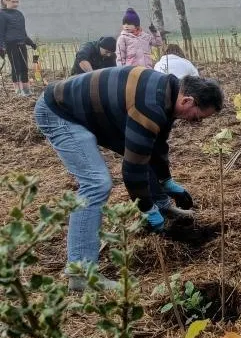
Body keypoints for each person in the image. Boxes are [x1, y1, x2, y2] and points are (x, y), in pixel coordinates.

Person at [34, 67, 224, 291]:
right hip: (60, 112)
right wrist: (146, 208)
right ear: (187, 100)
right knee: (96, 183)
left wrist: (166, 182)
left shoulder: (168, 93)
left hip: (91, 112)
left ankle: (163, 207)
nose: (196, 122)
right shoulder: (150, 106)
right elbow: (133, 169)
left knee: (143, 149)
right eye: (198, 117)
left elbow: (156, 148)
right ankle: (81, 274)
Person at [0, 0, 37, 96]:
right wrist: (1, 47)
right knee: (16, 67)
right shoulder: (2, 14)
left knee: (24, 67)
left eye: (17, 1)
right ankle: (18, 90)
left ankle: (26, 89)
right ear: (5, 1)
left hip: (22, 44)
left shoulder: (19, 14)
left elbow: (23, 33)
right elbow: (1, 32)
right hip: (11, 45)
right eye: (13, 2)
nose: (16, 4)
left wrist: (31, 43)